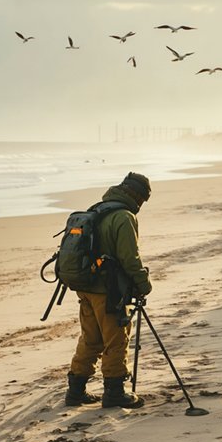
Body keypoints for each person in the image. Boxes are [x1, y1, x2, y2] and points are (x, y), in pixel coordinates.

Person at [65, 172, 153, 409]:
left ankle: (75, 391)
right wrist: (143, 284)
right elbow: (129, 258)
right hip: (108, 291)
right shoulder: (123, 217)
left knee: (91, 339)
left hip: (84, 286)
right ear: (137, 196)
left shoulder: (98, 209)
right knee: (116, 340)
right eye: (143, 199)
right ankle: (114, 392)